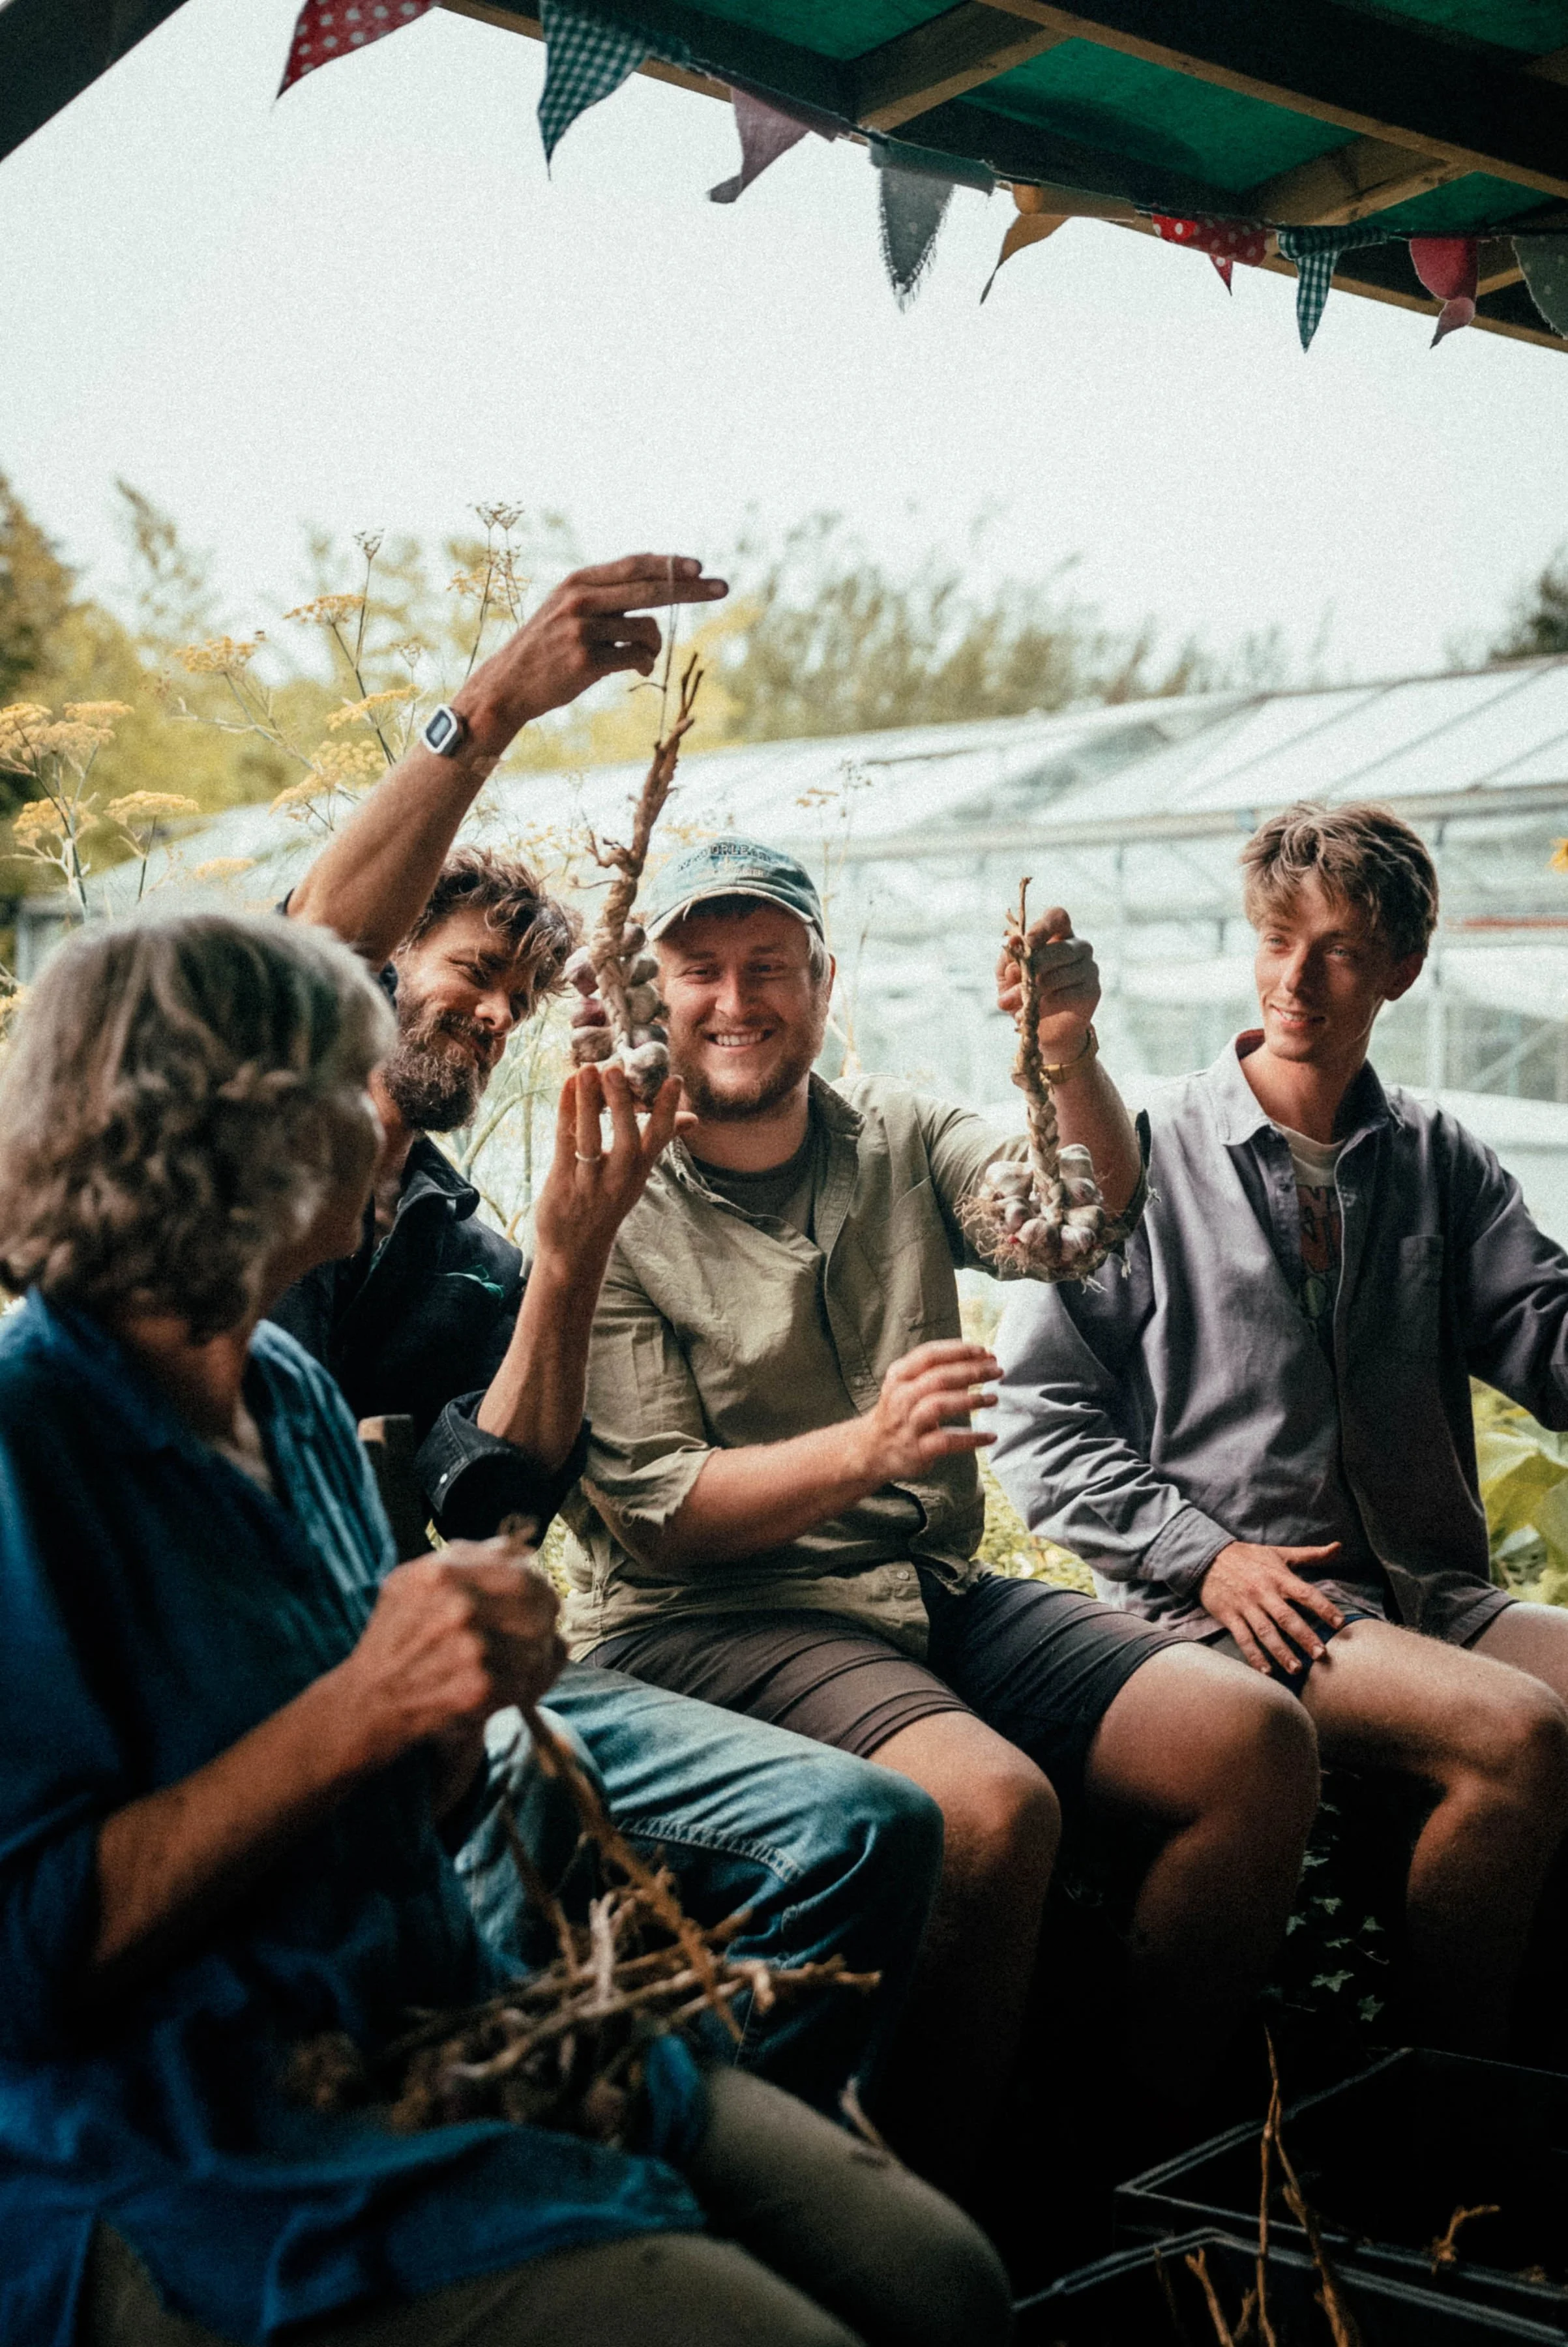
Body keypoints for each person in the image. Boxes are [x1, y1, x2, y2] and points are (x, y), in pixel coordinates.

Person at [0, 909, 1013, 2347]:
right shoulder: (29, 1441)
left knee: (945, 2285)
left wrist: (457, 1717)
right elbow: (27, 1963)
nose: (382, 1129)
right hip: (209, 2118)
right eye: (347, 1095)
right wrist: (365, 1705)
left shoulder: (283, 1394)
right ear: (233, 1136)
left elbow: (405, 1773)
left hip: (435, 2016)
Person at [552, 834, 1321, 2197]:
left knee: (1248, 1742)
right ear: (647, 993)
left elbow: (1073, 1222)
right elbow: (660, 1514)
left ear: (822, 984)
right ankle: (946, 2228)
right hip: (714, 1619)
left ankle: (1122, 2167)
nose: (736, 1001)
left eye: (769, 968)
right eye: (700, 973)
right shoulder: (615, 1200)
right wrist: (868, 1447)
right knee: (987, 1811)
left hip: (917, 1590)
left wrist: (1064, 1054)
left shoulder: (896, 1135)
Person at [275, 554, 944, 2117]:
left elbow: (492, 1507)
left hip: (462, 1687)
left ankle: (634, 2147)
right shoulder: (253, 1177)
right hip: (304, 1703)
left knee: (867, 1829)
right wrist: (497, 702)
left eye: (518, 996)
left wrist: (570, 1259)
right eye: (466, 974)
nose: (494, 1016)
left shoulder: (464, 1258)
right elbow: (310, 950)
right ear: (383, 973)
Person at [990, 801, 1568, 2054]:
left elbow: (1546, 1335)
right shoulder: (1139, 1154)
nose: (1298, 978)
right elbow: (1036, 1424)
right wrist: (1206, 1554)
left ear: (1403, 969)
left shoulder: (1436, 1159)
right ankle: (1451, 2109)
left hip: (1425, 1591)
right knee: (1516, 1738)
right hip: (1243, 1602)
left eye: (1342, 949)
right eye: (1276, 939)